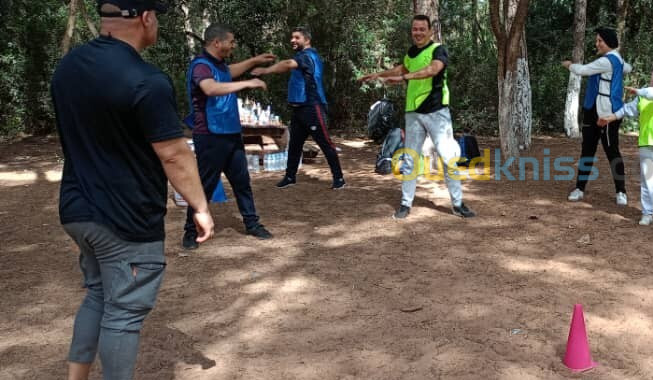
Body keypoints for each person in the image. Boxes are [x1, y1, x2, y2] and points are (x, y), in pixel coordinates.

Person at [50, 0, 215, 380]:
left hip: (78, 209)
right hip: (125, 218)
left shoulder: (68, 69)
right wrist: (200, 207)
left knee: (99, 296)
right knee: (123, 309)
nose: (157, 23)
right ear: (144, 19)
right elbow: (174, 154)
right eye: (156, 16)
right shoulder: (146, 80)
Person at [357, 14, 476, 219]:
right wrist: (379, 75)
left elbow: (432, 69)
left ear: (430, 31)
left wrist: (403, 77)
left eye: (422, 29)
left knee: (448, 158)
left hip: (436, 112)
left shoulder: (438, 50)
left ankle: (457, 204)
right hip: (413, 113)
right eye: (415, 29)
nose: (418, 33)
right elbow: (402, 68)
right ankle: (405, 204)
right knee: (410, 158)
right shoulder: (411, 53)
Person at [180, 24, 276, 249]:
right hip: (210, 135)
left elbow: (229, 72)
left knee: (242, 181)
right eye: (231, 42)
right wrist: (249, 83)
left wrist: (254, 61)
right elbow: (211, 88)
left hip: (231, 133)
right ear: (217, 42)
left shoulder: (220, 65)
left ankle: (252, 223)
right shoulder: (200, 66)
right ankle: (190, 231)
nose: (233, 45)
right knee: (204, 184)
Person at [252, 27, 346, 190]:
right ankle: (290, 177)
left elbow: (288, 64)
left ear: (307, 40)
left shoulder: (308, 56)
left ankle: (339, 178)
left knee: (325, 143)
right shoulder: (303, 56)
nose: (292, 40)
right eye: (292, 37)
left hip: (312, 106)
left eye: (297, 37)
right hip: (299, 108)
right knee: (295, 144)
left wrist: (266, 70)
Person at [598, 60, 653, 226]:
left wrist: (639, 91)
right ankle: (647, 213)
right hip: (647, 141)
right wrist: (609, 118)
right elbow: (627, 109)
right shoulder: (644, 95)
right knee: (648, 179)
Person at [561, 27, 632, 205]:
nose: (597, 43)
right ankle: (580, 188)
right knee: (588, 151)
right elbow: (628, 68)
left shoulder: (607, 61)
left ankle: (621, 191)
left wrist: (570, 65)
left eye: (600, 40)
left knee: (612, 152)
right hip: (593, 110)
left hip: (608, 114)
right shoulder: (617, 61)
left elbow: (583, 70)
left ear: (609, 42)